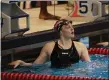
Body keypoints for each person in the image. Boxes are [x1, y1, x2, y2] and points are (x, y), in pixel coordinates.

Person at [9, 19, 91, 68]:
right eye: (67, 27)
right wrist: (22, 63)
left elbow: (88, 67)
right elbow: (36, 66)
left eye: (72, 27)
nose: (72, 29)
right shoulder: (49, 47)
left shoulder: (80, 46)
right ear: (61, 32)